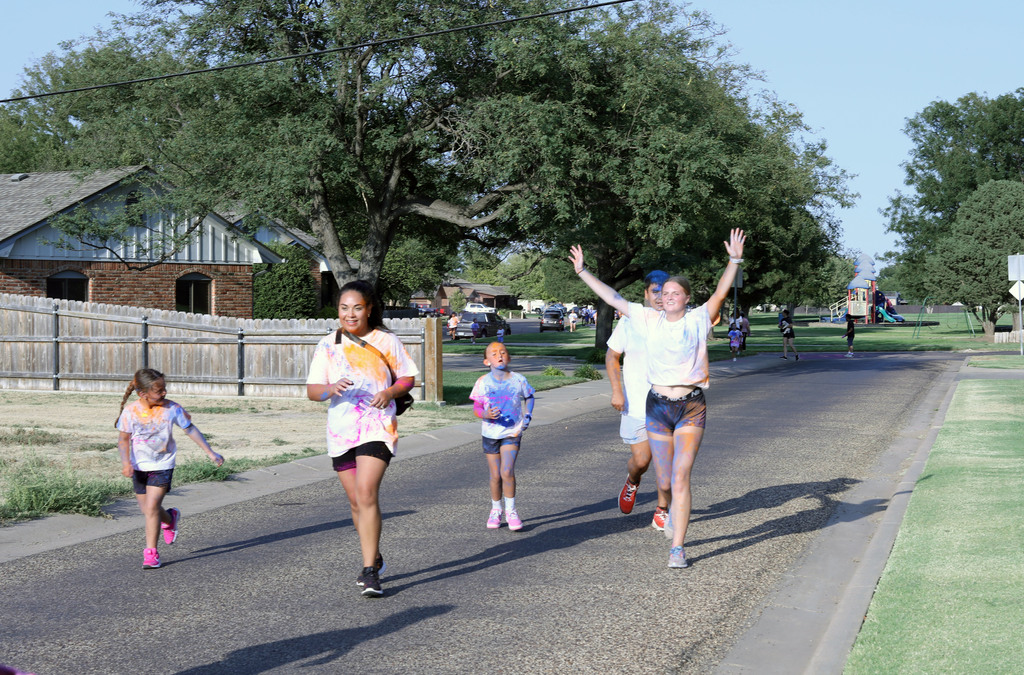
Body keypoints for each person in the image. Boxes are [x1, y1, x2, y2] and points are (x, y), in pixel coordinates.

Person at [569, 229, 746, 569]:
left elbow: (722, 292)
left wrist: (734, 260)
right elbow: (613, 299)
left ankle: (678, 548)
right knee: (663, 480)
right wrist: (582, 272)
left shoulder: (698, 319)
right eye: (663, 293)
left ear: (687, 297)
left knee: (680, 477)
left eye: (674, 292)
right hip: (658, 407)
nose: (667, 297)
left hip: (691, 407)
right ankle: (663, 510)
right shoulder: (649, 319)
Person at [306, 280, 418, 597]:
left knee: (367, 492)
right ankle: (375, 554)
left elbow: (408, 377)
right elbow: (313, 391)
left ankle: (370, 571)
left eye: (357, 307)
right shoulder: (328, 344)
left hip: (377, 425)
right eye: (344, 308)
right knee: (356, 500)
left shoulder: (386, 340)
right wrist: (331, 389)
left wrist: (389, 392)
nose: (350, 314)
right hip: (341, 429)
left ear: (369, 309)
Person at [117, 368, 223, 569]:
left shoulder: (172, 408)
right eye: (159, 391)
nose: (164, 393)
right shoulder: (130, 411)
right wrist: (126, 463)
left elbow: (190, 429)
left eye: (164, 389)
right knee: (148, 510)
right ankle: (170, 519)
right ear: (143, 394)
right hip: (139, 466)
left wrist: (211, 453)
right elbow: (123, 440)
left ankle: (151, 553)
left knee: (151, 508)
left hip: (163, 465)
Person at [606, 270, 672, 530]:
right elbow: (612, 357)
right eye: (655, 291)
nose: (659, 297)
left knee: (666, 461)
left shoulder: (677, 321)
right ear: (645, 294)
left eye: (665, 292)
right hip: (636, 404)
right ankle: (632, 481)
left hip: (669, 405)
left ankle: (662, 509)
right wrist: (616, 390)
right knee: (642, 461)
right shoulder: (629, 321)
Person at [470, 342, 536, 531]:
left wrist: (528, 415)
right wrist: (485, 414)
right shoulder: (482, 382)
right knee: (495, 475)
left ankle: (512, 510)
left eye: (503, 352)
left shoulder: (518, 380)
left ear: (509, 357)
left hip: (512, 432)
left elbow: (529, 396)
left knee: (507, 471)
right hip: (490, 433)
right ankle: (496, 509)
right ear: (486, 361)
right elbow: (476, 407)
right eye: (493, 354)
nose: (499, 356)